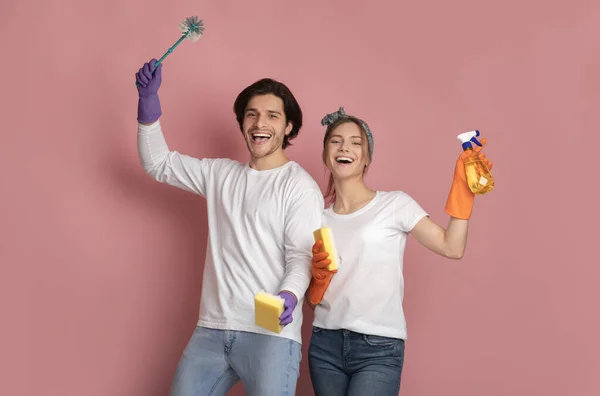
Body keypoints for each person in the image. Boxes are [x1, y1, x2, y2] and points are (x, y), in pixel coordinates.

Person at [134, 59, 324, 396]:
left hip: (270, 336)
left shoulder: (299, 186)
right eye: (251, 114)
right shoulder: (220, 175)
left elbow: (300, 256)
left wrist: (290, 295)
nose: (259, 122)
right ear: (242, 123)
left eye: (272, 116)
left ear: (289, 128)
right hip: (212, 328)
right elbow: (159, 164)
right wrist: (148, 104)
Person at [305, 107, 494, 396]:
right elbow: (312, 302)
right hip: (324, 346)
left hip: (378, 348)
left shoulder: (394, 205)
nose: (345, 147)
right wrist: (316, 287)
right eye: (336, 141)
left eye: (356, 142)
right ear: (326, 154)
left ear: (368, 158)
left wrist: (463, 190)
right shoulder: (315, 219)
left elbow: (452, 247)